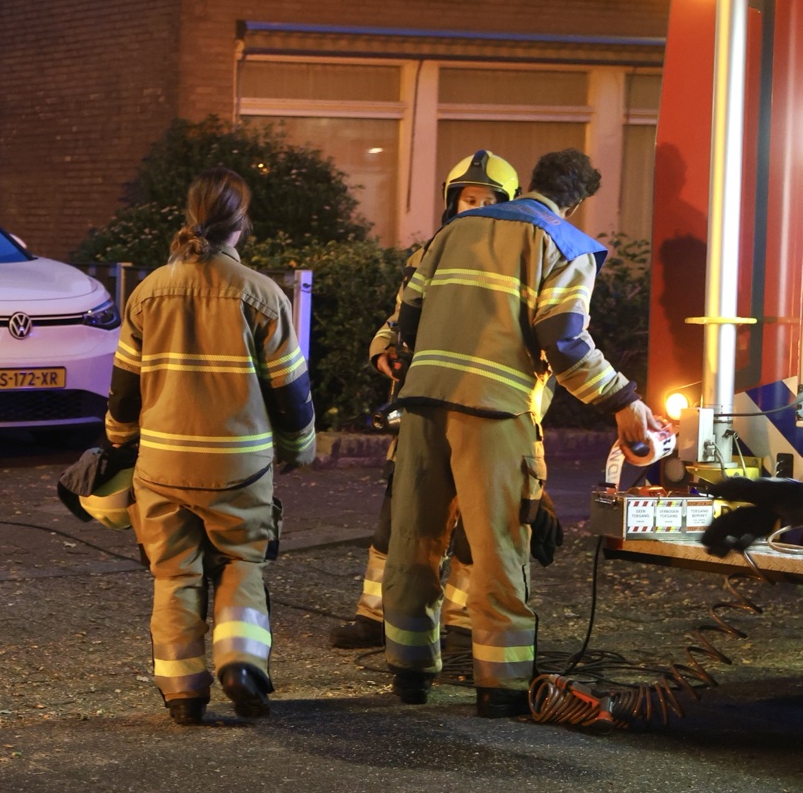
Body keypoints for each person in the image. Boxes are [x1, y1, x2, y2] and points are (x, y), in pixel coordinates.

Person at [383, 149, 660, 717]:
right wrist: (625, 402)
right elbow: (564, 341)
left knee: (414, 539)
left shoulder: (453, 231)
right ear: (578, 200)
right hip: (494, 413)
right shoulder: (565, 244)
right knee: (499, 548)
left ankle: (409, 673)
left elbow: (406, 316)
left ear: (530, 183)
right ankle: (501, 686)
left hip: (421, 403)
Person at [105, 168, 316, 725]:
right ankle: (241, 665)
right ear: (240, 224)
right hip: (238, 467)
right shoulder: (263, 296)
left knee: (173, 573)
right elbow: (291, 393)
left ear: (187, 218)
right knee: (242, 562)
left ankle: (182, 694)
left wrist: (120, 443)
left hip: (162, 466)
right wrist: (299, 447)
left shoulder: (147, 292)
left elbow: (125, 390)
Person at [330, 151, 521, 650]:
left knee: (474, 530)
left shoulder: (520, 259)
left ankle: (460, 621)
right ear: (450, 203)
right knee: (398, 518)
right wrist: (383, 352)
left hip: (485, 413)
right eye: (467, 199)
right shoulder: (427, 255)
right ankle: (377, 615)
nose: (475, 209)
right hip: (422, 410)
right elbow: (398, 321)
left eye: (487, 201)